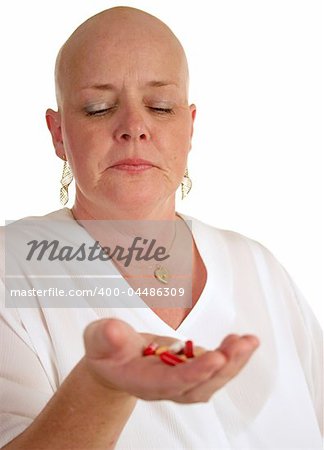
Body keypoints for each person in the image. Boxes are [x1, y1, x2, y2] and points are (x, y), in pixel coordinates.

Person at [0, 6, 322, 449]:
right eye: (98, 108)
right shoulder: (11, 269)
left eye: (160, 106)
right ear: (58, 134)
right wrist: (102, 389)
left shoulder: (257, 265)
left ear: (189, 127)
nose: (134, 127)